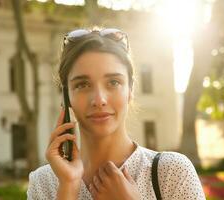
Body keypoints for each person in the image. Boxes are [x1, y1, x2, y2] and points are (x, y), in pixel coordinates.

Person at [27, 27, 206, 200]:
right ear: (66, 95)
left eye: (113, 82)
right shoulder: (43, 183)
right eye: (82, 84)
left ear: (131, 89)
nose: (99, 99)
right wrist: (68, 187)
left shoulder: (171, 172)